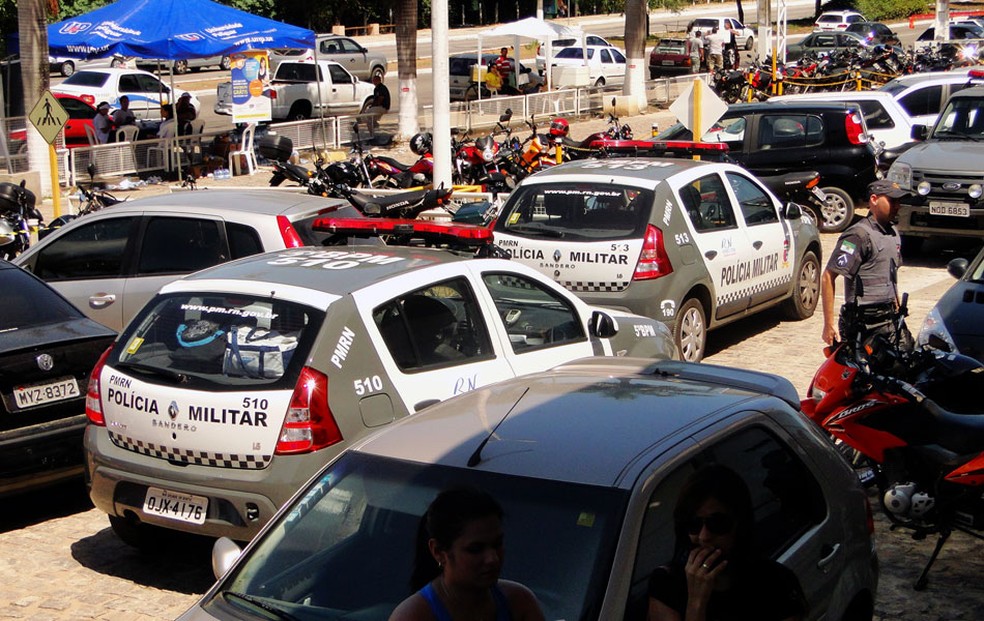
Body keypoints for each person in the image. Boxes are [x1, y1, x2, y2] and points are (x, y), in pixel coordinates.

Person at [648, 464, 806, 621]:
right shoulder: (667, 584)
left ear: (739, 524)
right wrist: (696, 603)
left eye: (717, 523)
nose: (704, 537)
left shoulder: (776, 583)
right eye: (694, 524)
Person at [389, 487, 545, 621]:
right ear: (438, 551)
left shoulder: (519, 602)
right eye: (475, 549)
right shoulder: (413, 616)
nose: (492, 559)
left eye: (497, 544)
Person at [821, 179, 912, 349]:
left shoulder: (893, 233)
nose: (897, 206)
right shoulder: (858, 235)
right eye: (892, 201)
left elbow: (890, 274)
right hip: (863, 321)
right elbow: (828, 276)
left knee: (907, 357)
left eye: (899, 201)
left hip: (889, 316)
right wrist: (829, 324)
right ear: (874, 200)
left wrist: (896, 303)